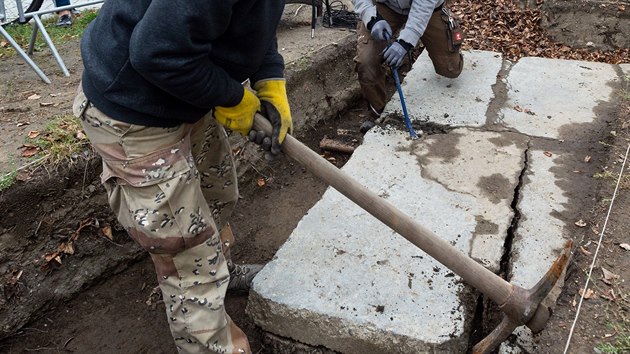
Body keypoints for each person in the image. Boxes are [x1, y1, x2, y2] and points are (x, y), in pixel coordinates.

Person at [72, 0, 292, 353]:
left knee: (217, 194)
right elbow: (155, 51)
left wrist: (270, 76)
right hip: (135, 109)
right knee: (189, 260)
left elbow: (256, 16)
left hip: (185, 89)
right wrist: (233, 97)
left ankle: (221, 266)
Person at [352, 0, 464, 119]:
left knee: (451, 69)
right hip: (385, 6)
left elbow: (423, 4)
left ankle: (449, 48)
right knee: (366, 61)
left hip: (427, 9)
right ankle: (377, 112)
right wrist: (372, 18)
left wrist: (405, 42)